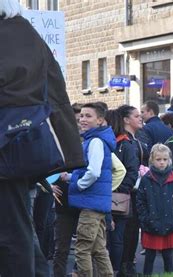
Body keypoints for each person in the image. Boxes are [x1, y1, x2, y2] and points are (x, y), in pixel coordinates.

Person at [0, 2, 84, 275]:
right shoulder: (22, 32)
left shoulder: (12, 34)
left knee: (11, 232)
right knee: (17, 227)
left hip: (8, 146)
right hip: (16, 145)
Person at [67, 103, 115, 276]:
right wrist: (73, 177)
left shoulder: (95, 141)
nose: (83, 119)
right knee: (98, 249)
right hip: (97, 203)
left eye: (88, 116)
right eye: (82, 116)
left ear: (100, 120)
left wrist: (78, 184)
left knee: (82, 249)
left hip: (91, 204)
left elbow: (94, 171)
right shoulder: (96, 139)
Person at [136, 144, 173, 274]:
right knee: (149, 257)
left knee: (168, 257)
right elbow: (140, 201)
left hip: (169, 224)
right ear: (152, 160)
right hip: (150, 224)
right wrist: (146, 219)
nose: (162, 162)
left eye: (165, 159)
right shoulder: (146, 179)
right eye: (158, 159)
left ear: (169, 160)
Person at [105, 109, 140, 273]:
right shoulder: (108, 143)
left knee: (116, 238)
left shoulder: (125, 144)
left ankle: (116, 270)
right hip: (105, 196)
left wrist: (118, 189)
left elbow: (132, 172)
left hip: (117, 199)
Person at [116, 104, 149, 276]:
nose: (140, 118)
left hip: (136, 193)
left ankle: (128, 264)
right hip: (126, 193)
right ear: (126, 120)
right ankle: (124, 267)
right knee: (126, 232)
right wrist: (127, 187)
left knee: (133, 230)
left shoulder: (135, 139)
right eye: (136, 116)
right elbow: (126, 169)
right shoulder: (123, 141)